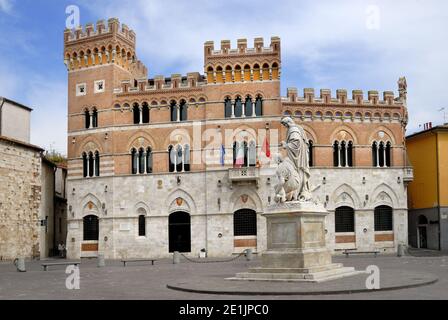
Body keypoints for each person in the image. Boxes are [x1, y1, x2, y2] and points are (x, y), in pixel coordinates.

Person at [280, 116, 312, 200]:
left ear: (288, 122)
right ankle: (297, 193)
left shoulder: (293, 130)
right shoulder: (297, 128)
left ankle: (296, 194)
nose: (285, 126)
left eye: (285, 124)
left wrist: (286, 145)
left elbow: (296, 143)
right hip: (298, 157)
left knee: (297, 173)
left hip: (297, 159)